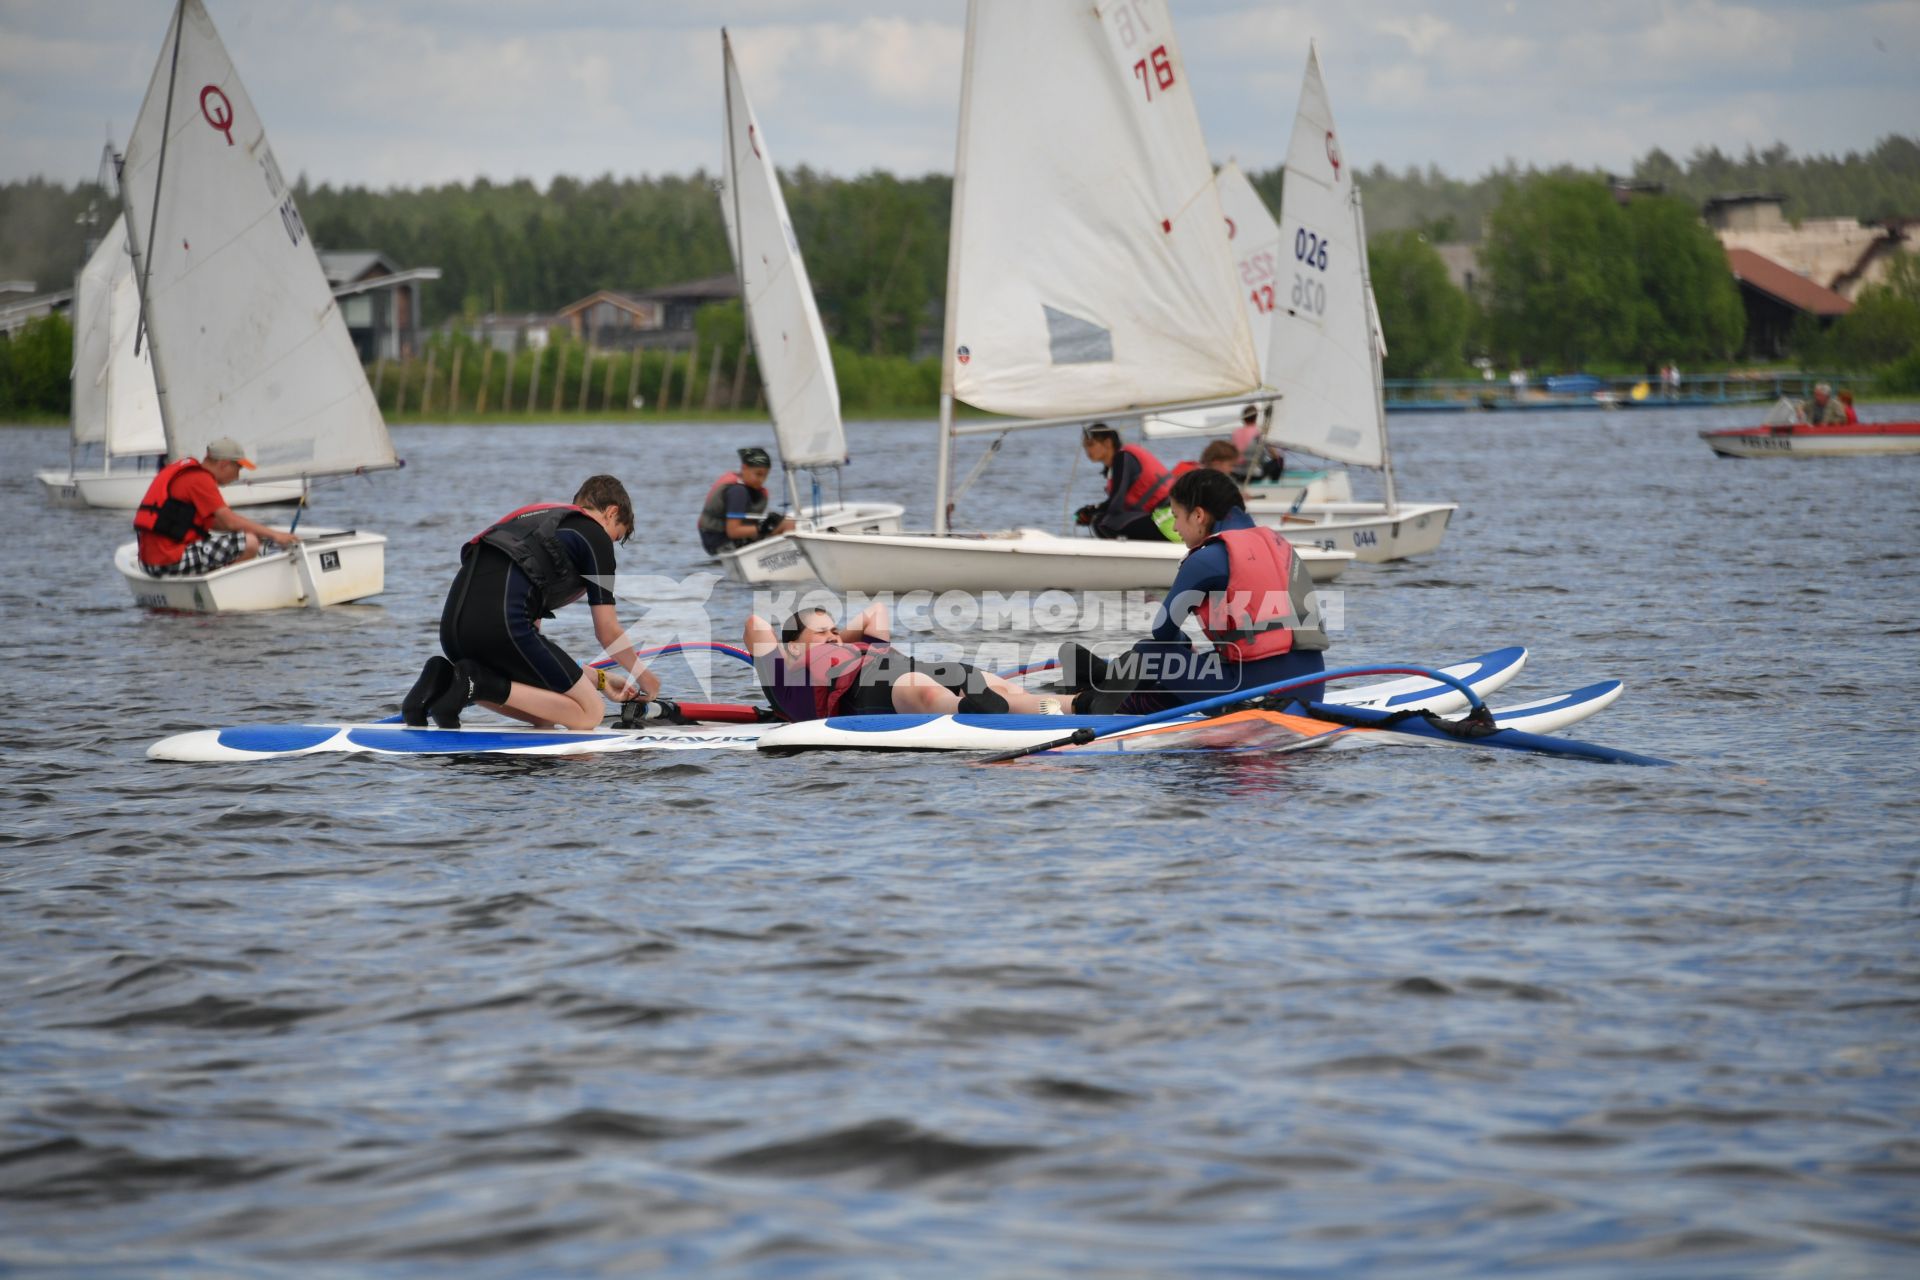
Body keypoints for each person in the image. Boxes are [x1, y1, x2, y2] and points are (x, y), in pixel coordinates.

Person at [1061, 467, 1329, 716]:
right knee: (1202, 663)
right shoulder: (1278, 544)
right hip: (1312, 687)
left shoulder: (1207, 558)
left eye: (1177, 516)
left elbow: (1162, 631)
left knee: (1150, 652)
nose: (1176, 528)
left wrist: (1182, 644)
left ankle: (1095, 696)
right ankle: (1105, 678)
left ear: (1198, 515)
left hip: (1259, 696)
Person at [403, 474, 661, 730]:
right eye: (616, 536)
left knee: (547, 711)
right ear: (611, 513)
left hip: (453, 632)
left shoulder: (540, 527)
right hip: (500, 627)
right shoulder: (594, 535)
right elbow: (607, 630)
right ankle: (476, 683)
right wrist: (645, 677)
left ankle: (443, 679)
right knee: (590, 713)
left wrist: (601, 680)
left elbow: (533, 659)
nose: (610, 544)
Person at [746, 601, 1084, 720]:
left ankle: (1082, 702)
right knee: (920, 691)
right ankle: (969, 708)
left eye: (835, 629)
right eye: (822, 632)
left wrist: (833, 637)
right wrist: (803, 649)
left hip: (919, 667)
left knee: (999, 687)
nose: (833, 636)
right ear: (790, 647)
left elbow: (874, 612)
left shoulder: (856, 645)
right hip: (870, 689)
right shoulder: (783, 676)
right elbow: (755, 626)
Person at [133, 436, 301, 576]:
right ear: (223, 464)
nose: (237, 476)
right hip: (168, 561)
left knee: (249, 537)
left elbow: (217, 524)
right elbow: (230, 522)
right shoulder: (201, 480)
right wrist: (275, 535)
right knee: (249, 543)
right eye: (238, 468)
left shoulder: (188, 474)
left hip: (152, 562)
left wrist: (259, 533)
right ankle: (226, 586)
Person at [1074, 424, 1175, 541]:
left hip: (1168, 520)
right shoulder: (1115, 467)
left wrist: (1092, 513)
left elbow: (1115, 505)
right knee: (1102, 520)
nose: (1087, 450)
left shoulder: (1123, 458)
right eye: (1085, 446)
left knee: (1103, 522)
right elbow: (1114, 504)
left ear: (1107, 443)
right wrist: (1090, 511)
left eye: (1091, 444)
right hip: (1164, 518)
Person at [698, 446, 794, 555]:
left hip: (735, 540)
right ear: (744, 468)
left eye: (765, 476)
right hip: (721, 542)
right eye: (758, 474)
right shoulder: (738, 492)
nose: (761, 480)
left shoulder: (750, 490)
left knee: (788, 523)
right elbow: (733, 531)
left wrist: (769, 523)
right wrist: (762, 528)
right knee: (786, 525)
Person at [1228, 403, 1284, 482]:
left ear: (1243, 418)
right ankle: (1274, 484)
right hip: (1252, 475)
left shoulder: (1235, 432)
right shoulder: (1259, 432)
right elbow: (1274, 455)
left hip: (1236, 474)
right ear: (1256, 417)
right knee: (1279, 460)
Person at [1171, 440, 1244, 480]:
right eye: (1231, 465)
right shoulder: (1200, 478)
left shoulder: (1200, 472)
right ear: (1216, 464)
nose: (1232, 469)